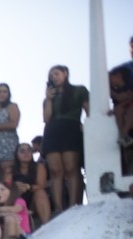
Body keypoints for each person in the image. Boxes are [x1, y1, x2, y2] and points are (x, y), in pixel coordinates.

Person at [43, 65, 90, 212]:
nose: (53, 77)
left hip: (71, 128)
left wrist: (87, 124)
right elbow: (46, 118)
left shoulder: (79, 90)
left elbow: (89, 109)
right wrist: (48, 100)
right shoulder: (49, 97)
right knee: (56, 171)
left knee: (71, 168)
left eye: (56, 74)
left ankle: (74, 205)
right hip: (52, 131)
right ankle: (58, 208)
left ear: (65, 73)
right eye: (51, 75)